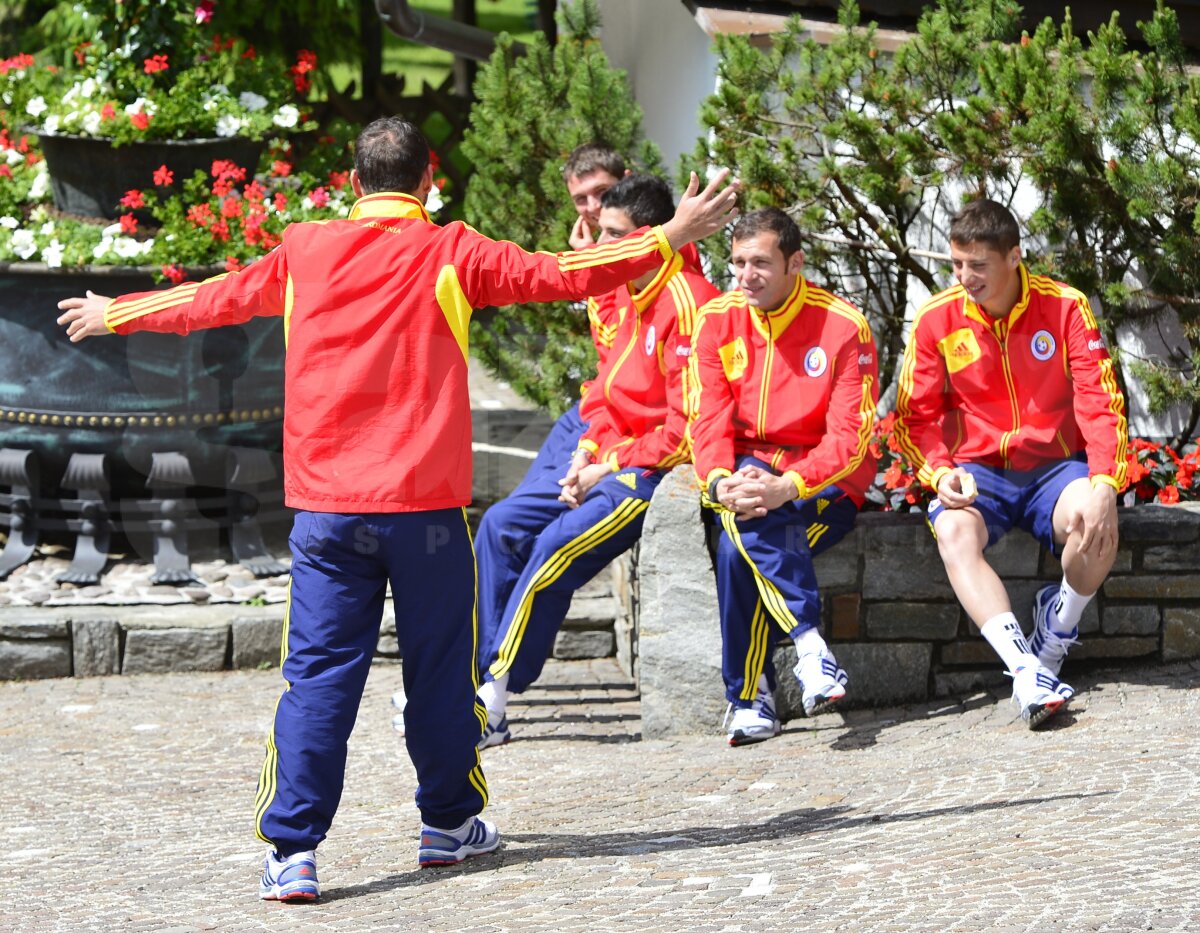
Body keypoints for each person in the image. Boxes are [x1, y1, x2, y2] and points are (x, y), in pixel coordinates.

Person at [55, 117, 740, 901]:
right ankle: (447, 823)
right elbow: (563, 274)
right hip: (425, 514)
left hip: (326, 512)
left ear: (353, 181)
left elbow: (216, 298)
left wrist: (119, 313)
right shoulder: (452, 249)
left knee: (316, 678)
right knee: (441, 675)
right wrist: (671, 235)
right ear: (428, 180)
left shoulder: (307, 249)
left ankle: (292, 850)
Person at [474, 173, 721, 747]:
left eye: (616, 235)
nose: (602, 247)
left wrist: (605, 467)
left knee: (550, 551)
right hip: (606, 454)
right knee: (499, 524)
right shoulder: (623, 289)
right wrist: (586, 452)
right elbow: (607, 394)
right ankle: (481, 679)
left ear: (652, 237)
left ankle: (493, 695)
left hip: (646, 473)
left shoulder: (689, 302)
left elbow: (684, 434)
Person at [894, 198, 1127, 729]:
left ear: (1015, 256)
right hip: (979, 473)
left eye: (977, 265)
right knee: (952, 530)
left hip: (1055, 470)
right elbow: (914, 417)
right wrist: (938, 470)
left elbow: (1099, 398)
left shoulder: (1065, 306)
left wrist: (1105, 481)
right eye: (956, 264)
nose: (964, 277)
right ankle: (1024, 670)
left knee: (1096, 528)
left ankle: (1055, 634)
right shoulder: (936, 318)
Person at [687, 207, 879, 747]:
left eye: (761, 263)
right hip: (747, 474)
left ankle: (750, 700)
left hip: (826, 484)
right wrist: (719, 480)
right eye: (738, 262)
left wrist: (788, 485)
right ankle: (811, 648)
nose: (746, 276)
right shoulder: (716, 320)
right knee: (739, 538)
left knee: (739, 547)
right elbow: (707, 420)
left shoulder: (843, 325)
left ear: (795, 262)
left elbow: (850, 440)